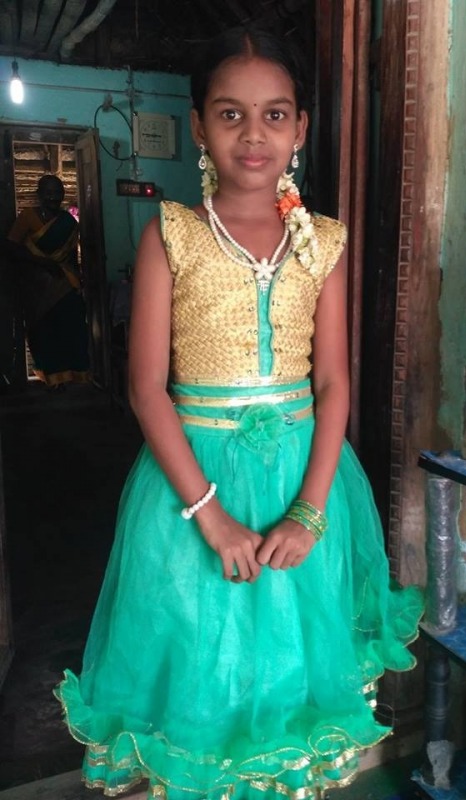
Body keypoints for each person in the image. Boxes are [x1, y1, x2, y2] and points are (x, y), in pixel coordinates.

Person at [54, 27, 424, 800]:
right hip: (191, 490)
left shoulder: (323, 244)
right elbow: (146, 389)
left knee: (291, 668)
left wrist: (310, 513)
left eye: (274, 114)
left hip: (306, 482)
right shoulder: (172, 235)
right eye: (230, 114)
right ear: (198, 126)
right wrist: (212, 516)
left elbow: (334, 383)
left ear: (300, 128)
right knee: (203, 662)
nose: (254, 134)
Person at [5, 175, 90, 387]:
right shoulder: (27, 217)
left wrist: (78, 280)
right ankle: (53, 380)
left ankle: (74, 378)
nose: (53, 197)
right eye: (48, 192)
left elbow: (71, 256)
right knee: (44, 332)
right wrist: (43, 262)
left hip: (64, 283)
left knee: (73, 328)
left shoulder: (68, 221)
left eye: (57, 192)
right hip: (37, 286)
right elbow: (11, 247)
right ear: (39, 194)